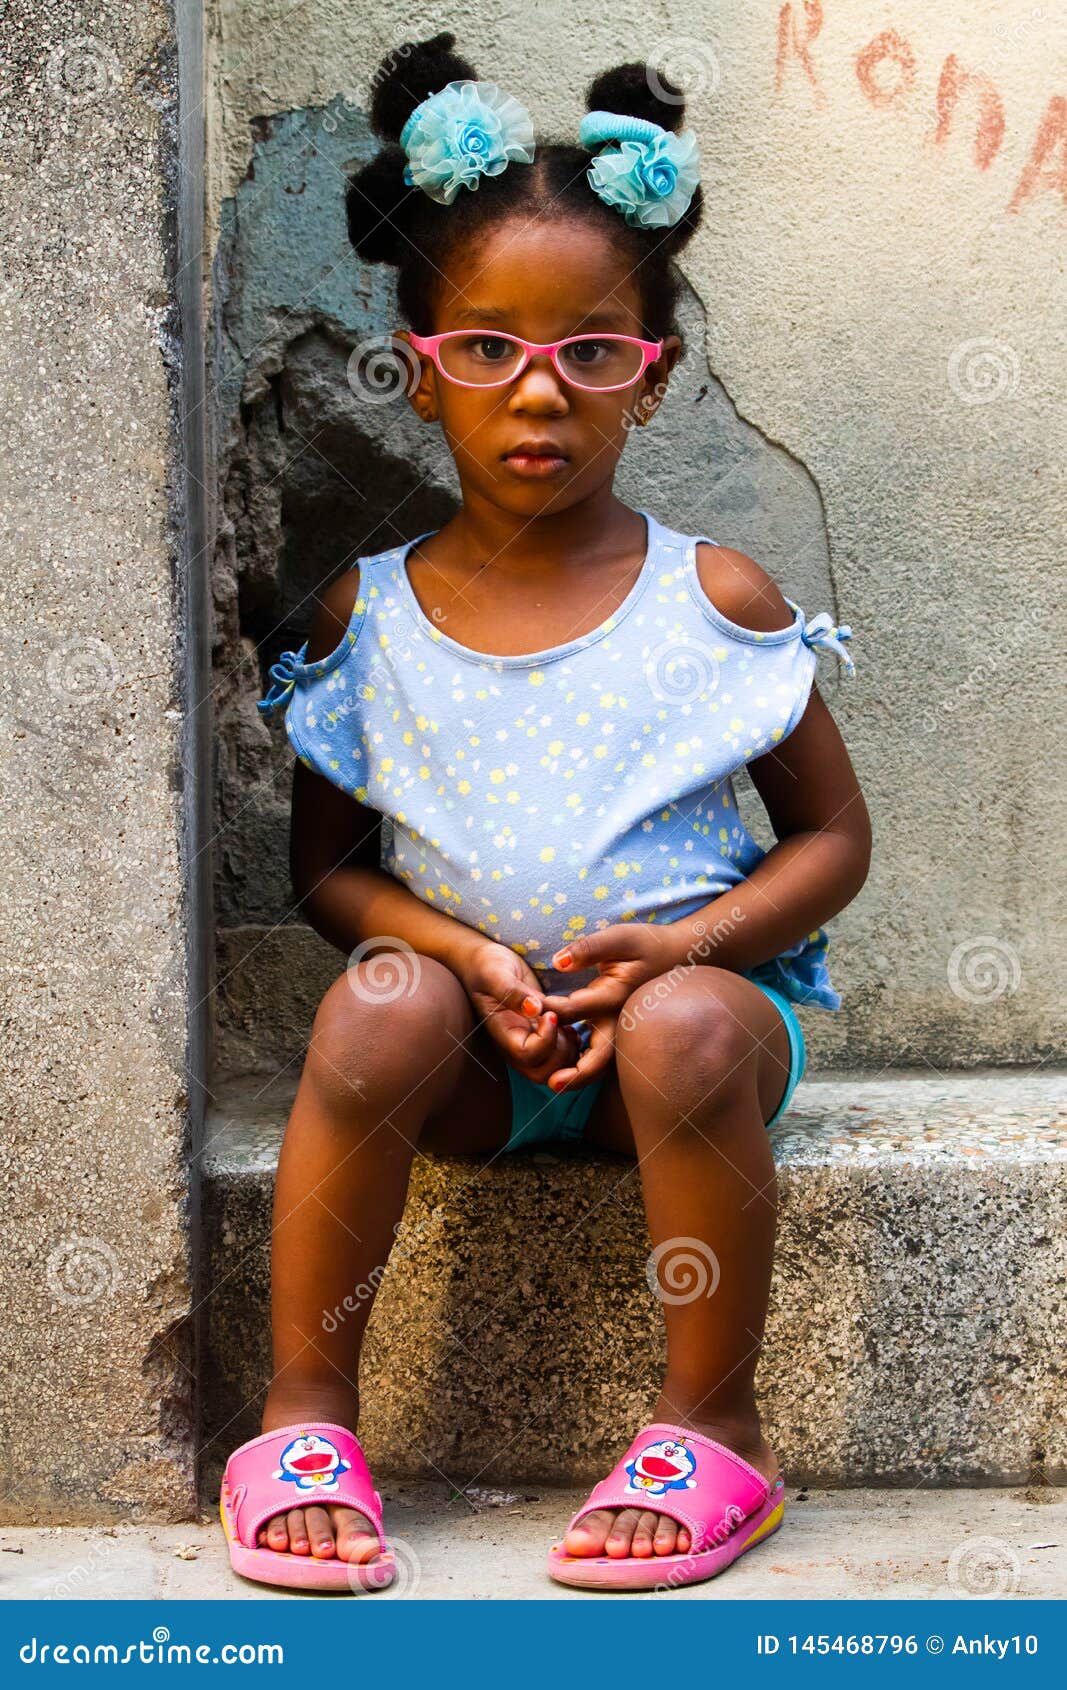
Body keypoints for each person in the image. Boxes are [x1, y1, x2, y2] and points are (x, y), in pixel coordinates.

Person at [219, 31, 871, 1594]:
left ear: (653, 377)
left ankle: (716, 1426)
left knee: (690, 1029)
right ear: (419, 358)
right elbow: (329, 875)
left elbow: (833, 842)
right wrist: (462, 954)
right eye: (488, 349)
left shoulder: (714, 600)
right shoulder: (354, 624)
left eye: (592, 351)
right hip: (477, 1053)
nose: (539, 392)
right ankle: (306, 1412)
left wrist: (686, 948)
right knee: (375, 1005)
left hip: (700, 1036)